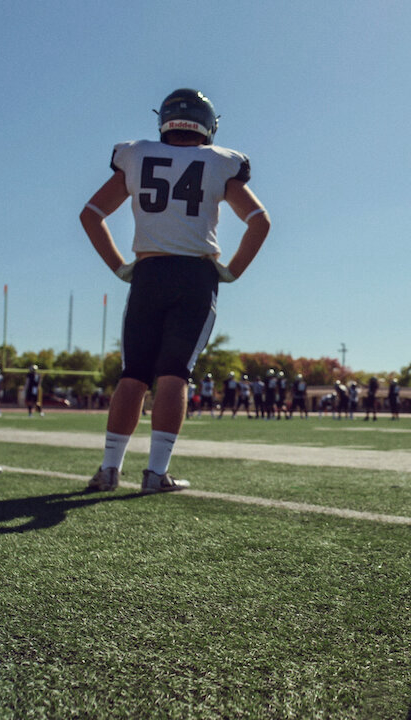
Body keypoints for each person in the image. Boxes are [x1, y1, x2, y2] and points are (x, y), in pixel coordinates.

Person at [80, 88, 269, 493]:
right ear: (208, 124)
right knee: (174, 375)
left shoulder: (135, 154)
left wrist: (119, 266)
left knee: (133, 375)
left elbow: (92, 214)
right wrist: (232, 271)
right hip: (195, 277)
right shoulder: (221, 161)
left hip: (149, 273)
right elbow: (259, 220)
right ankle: (154, 473)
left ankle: (110, 469)